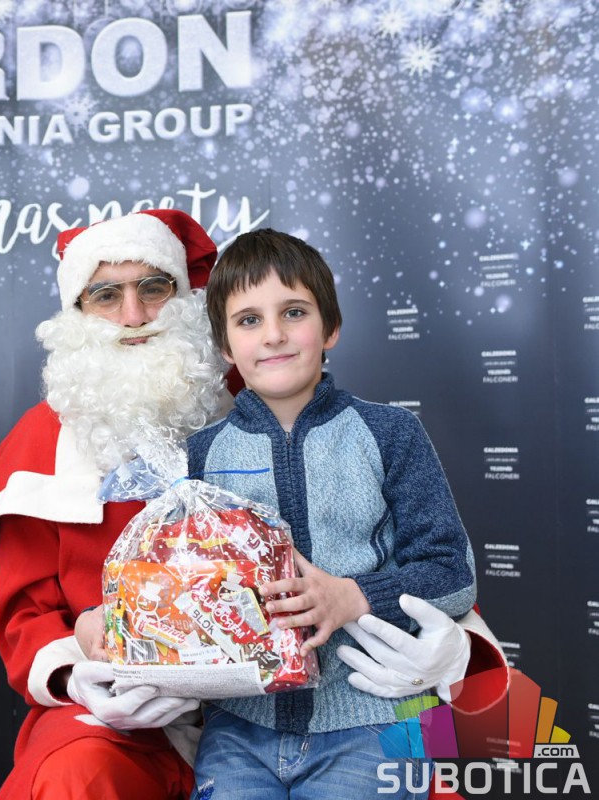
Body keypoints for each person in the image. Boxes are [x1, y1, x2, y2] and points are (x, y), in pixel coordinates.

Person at [0, 211, 507, 800]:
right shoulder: (49, 440)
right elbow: (29, 612)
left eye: (153, 287)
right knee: (75, 775)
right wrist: (81, 659)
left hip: (347, 705)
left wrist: (454, 648)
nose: (134, 314)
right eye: (106, 294)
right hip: (160, 717)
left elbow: (436, 561)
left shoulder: (235, 397)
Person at [184, 227, 478, 799]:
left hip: (376, 714)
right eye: (249, 320)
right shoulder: (199, 455)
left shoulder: (390, 432)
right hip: (240, 727)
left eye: (293, 312)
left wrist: (354, 596)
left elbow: (452, 572)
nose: (273, 334)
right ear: (225, 347)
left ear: (331, 327)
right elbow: (178, 580)